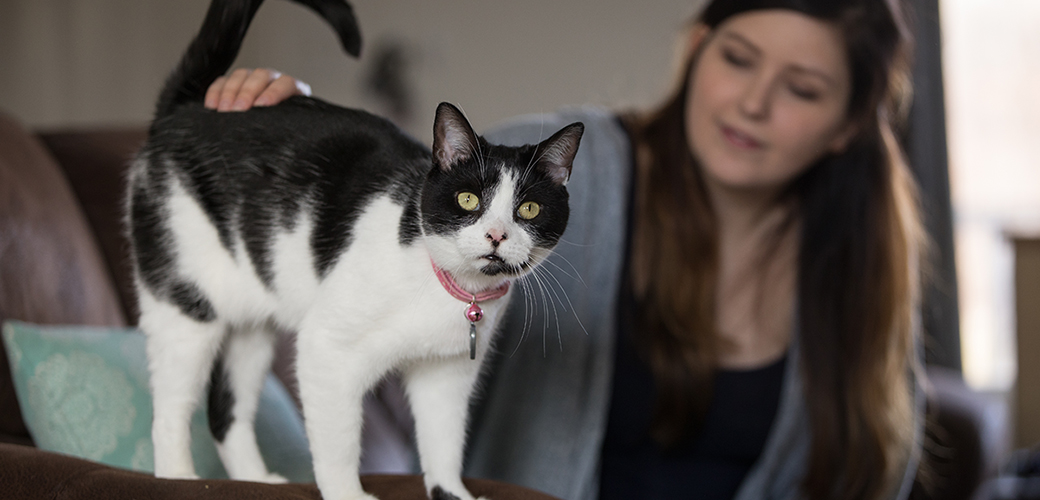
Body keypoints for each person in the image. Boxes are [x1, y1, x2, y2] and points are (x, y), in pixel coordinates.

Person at [208, 0, 924, 499]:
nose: (753, 103)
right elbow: (426, 196)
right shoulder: (576, 171)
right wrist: (305, 130)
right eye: (737, 59)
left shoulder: (859, 268)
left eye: (801, 89)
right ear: (697, 49)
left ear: (849, 125)